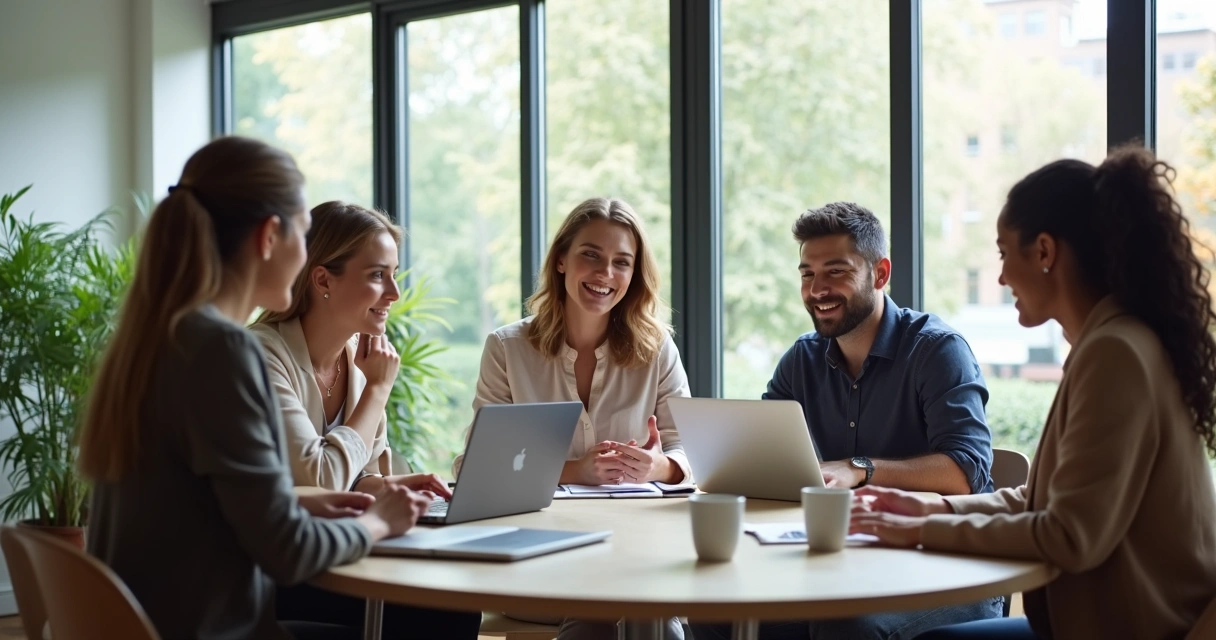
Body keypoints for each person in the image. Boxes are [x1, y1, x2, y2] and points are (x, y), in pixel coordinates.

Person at [853, 146, 1216, 639]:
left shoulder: (1117, 354)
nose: (1001, 278)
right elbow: (1048, 500)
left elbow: (1069, 536)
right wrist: (936, 508)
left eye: (1005, 254)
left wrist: (922, 531)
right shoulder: (1115, 343)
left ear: (1044, 252)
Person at [78, 137, 428, 640]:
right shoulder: (223, 350)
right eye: (304, 237)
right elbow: (287, 553)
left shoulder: (158, 338)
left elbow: (194, 500)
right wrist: (379, 523)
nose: (307, 259)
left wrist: (301, 502)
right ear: (269, 236)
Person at [692, 202, 1000, 640]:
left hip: (943, 568)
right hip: (839, 562)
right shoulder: (802, 359)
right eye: (807, 274)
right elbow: (760, 457)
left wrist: (859, 468)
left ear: (880, 273)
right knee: (715, 615)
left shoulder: (937, 352)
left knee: (845, 626)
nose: (817, 289)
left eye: (836, 271)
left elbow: (967, 473)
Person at [457, 197, 692, 639]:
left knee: (649, 606)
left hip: (638, 550)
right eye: (591, 256)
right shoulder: (508, 349)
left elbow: (690, 449)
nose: (606, 274)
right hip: (540, 558)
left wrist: (658, 465)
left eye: (622, 262)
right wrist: (575, 471)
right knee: (610, 607)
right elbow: (474, 470)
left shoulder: (657, 347)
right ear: (562, 260)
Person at [251, 201, 480, 639]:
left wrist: (387, 487)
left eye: (393, 274)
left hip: (336, 551)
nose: (394, 293)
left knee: (455, 606)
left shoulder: (359, 362)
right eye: (377, 275)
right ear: (322, 280)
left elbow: (361, 474)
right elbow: (320, 477)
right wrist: (377, 392)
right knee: (443, 615)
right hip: (277, 568)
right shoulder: (263, 355)